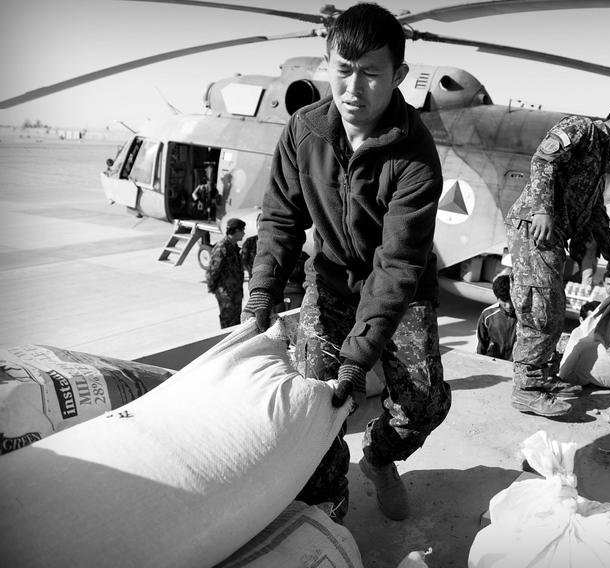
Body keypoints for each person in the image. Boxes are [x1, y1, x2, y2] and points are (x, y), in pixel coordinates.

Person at [241, 3, 451, 523]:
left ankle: (380, 459)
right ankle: (326, 502)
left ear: (398, 75)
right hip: (332, 280)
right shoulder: (303, 132)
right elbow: (279, 219)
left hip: (402, 293)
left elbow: (398, 265)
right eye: (342, 70)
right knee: (319, 401)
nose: (353, 89)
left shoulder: (417, 156)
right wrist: (262, 293)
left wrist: (359, 357)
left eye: (371, 74)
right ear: (327, 63)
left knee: (423, 405)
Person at [505, 102, 610, 417]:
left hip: (552, 234)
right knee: (540, 307)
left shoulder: (598, 159)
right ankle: (527, 389)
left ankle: (541, 379)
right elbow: (543, 160)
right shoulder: (582, 129)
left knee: (554, 308)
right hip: (535, 228)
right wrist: (543, 210)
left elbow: (595, 214)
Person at [205, 217, 246, 329]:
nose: (244, 233)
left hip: (235, 293)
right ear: (236, 231)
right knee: (228, 324)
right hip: (226, 295)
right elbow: (212, 271)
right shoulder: (222, 248)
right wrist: (214, 289)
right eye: (242, 230)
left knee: (236, 323)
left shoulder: (234, 247)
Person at [476, 274, 518, 361]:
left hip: (516, 365)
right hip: (494, 362)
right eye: (504, 302)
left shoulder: (524, 315)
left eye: (511, 300)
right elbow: (481, 343)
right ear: (497, 298)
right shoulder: (487, 315)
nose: (509, 305)